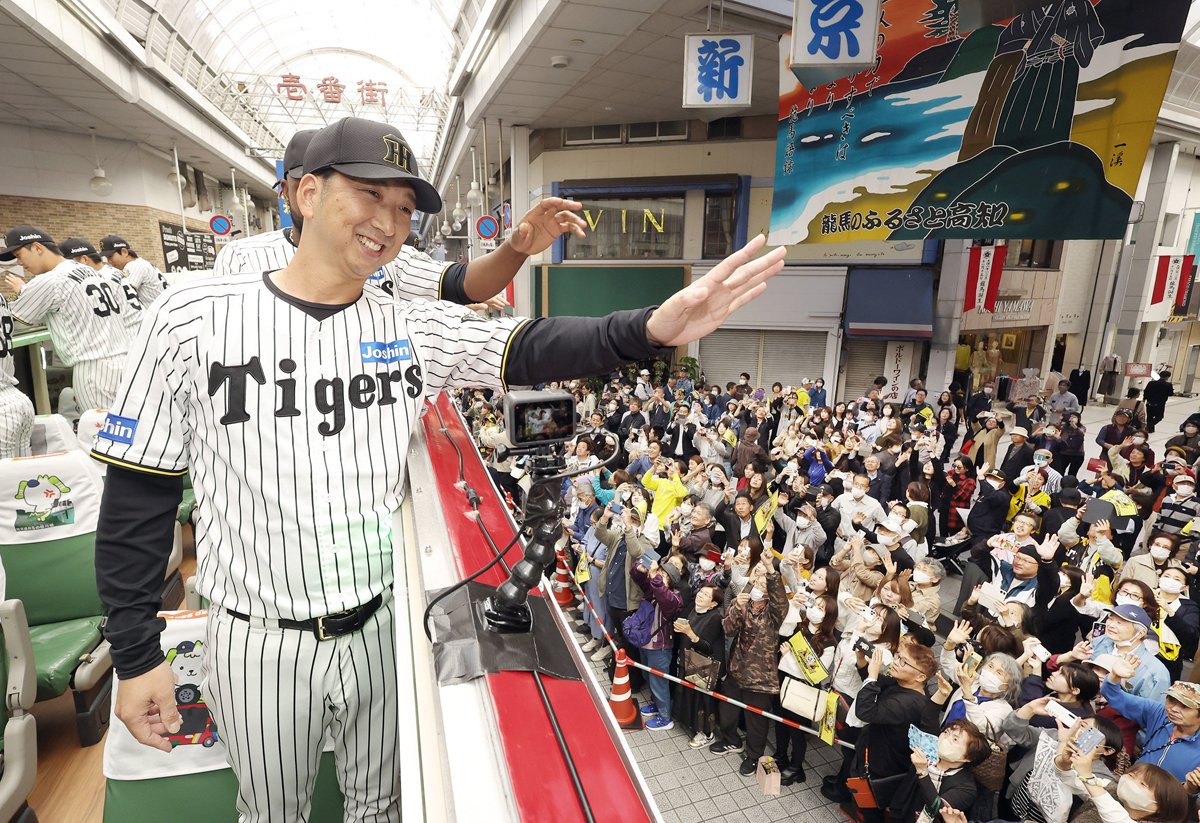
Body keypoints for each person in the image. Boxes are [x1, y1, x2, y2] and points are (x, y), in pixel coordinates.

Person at [92, 116, 789, 821]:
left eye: (404, 208)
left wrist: (648, 329)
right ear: (306, 193)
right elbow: (138, 496)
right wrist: (135, 651)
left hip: (379, 629)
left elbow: (532, 345)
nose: (389, 221)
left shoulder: (408, 324)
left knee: (379, 806)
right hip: (256, 636)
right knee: (271, 811)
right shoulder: (190, 317)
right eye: (370, 194)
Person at [1, 225, 131, 410]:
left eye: (19, 255)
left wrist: (24, 292)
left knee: (102, 434)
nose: (19, 262)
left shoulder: (50, 280)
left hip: (94, 372)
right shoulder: (91, 271)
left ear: (38, 248)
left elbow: (8, 318)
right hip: (125, 363)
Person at [847, 644, 941, 823]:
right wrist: (862, 660)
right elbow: (876, 683)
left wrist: (873, 675)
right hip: (877, 753)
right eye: (898, 657)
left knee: (872, 808)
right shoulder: (904, 685)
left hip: (883, 765)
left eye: (904, 662)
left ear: (921, 677)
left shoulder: (909, 703)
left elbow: (865, 711)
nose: (896, 662)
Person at [712, 553, 787, 775]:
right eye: (757, 581)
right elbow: (728, 629)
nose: (759, 584)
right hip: (737, 669)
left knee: (756, 721)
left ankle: (754, 756)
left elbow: (781, 598)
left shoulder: (775, 612)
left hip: (762, 676)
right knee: (727, 710)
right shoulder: (742, 603)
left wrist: (770, 571)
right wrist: (737, 607)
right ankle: (732, 740)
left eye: (765, 583)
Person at [1098, 658, 1199, 782]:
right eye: (1171, 700)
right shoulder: (1159, 713)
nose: (1174, 709)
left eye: (1185, 706)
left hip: (1169, 799)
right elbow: (1113, 695)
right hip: (1132, 784)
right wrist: (1114, 676)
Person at [629, 557, 683, 731]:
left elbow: (664, 596)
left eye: (663, 575)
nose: (657, 576)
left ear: (671, 581)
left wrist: (655, 578)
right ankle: (656, 704)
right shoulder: (653, 588)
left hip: (660, 647)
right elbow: (635, 575)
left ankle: (666, 718)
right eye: (659, 572)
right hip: (645, 641)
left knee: (659, 682)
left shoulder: (674, 598)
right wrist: (640, 567)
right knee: (648, 677)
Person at [59, 237, 144, 337]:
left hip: (131, 334)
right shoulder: (112, 272)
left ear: (85, 259)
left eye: (70, 262)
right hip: (140, 327)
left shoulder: (99, 279)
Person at [674, 582, 726, 748]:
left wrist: (689, 633)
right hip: (687, 659)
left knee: (703, 701)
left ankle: (707, 733)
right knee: (689, 695)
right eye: (701, 592)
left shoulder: (715, 618)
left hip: (705, 666)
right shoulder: (692, 607)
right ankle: (692, 725)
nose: (700, 595)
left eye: (706, 595)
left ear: (713, 604)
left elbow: (707, 647)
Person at [98, 234, 168, 306]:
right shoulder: (141, 263)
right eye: (107, 257)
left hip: (158, 313)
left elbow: (125, 295)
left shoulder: (134, 266)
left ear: (124, 252)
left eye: (110, 256)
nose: (109, 261)